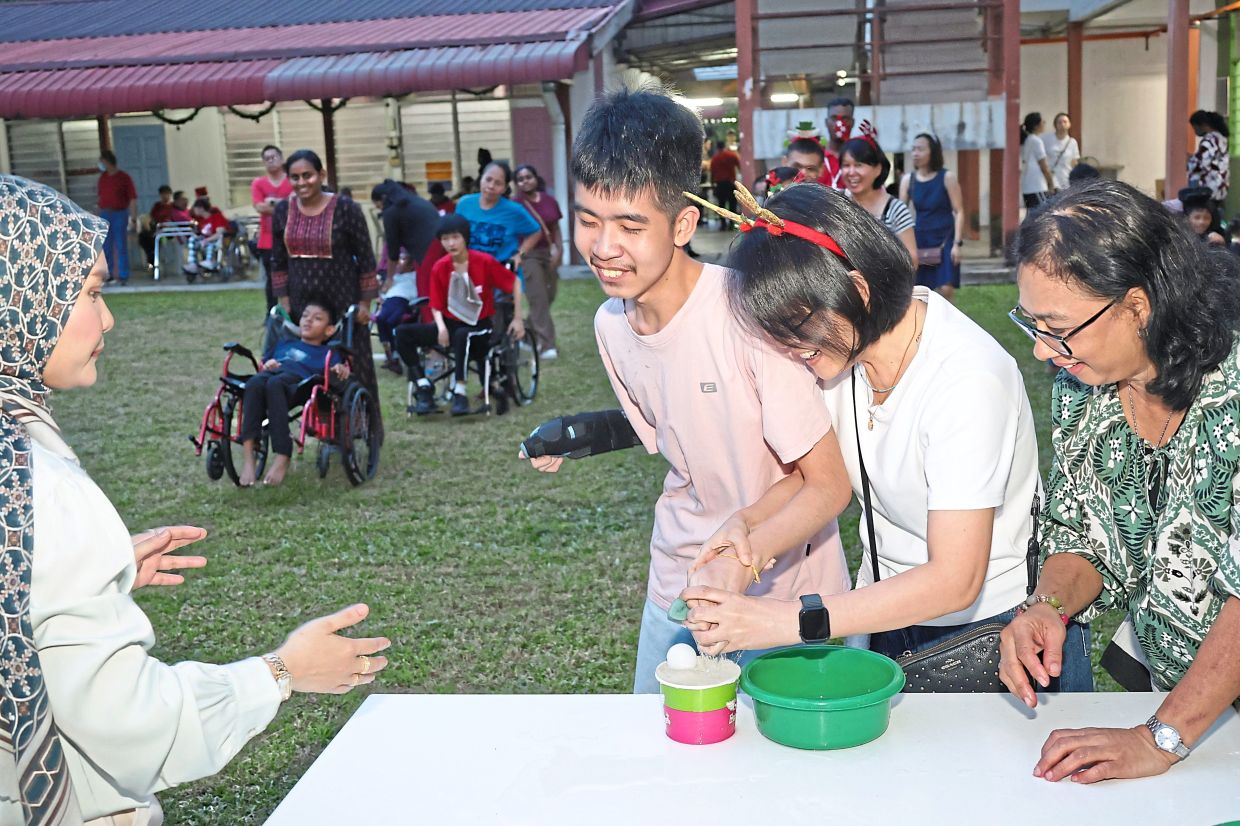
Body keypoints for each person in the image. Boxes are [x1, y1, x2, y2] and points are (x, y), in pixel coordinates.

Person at [0, 174, 391, 825]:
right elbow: (130, 723)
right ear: (23, 297)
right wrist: (281, 671)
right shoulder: (41, 488)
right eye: (91, 293)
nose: (109, 317)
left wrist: (71, 576)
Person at [676, 182, 1091, 693]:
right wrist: (745, 540)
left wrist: (786, 620)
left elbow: (955, 579)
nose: (790, 347)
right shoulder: (847, 353)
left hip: (996, 638)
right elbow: (822, 482)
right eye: (776, 332)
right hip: (886, 617)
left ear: (858, 289)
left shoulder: (965, 379)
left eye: (798, 326)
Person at [524, 85, 851, 693]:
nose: (603, 247)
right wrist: (583, 435)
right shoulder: (610, 324)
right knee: (664, 757)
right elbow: (679, 423)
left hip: (786, 593)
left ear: (683, 223)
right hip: (679, 578)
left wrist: (742, 558)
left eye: (629, 225)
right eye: (589, 219)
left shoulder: (748, 313)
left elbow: (827, 484)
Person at [1001, 178, 1240, 784]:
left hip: (1190, 722)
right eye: (1031, 324)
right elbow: (1080, 532)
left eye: (1056, 325)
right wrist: (1046, 607)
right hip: (1187, 708)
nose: (1041, 351)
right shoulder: (1083, 385)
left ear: (1138, 306)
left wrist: (1160, 738)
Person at [271, 149, 382, 440]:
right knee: (307, 364)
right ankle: (321, 425)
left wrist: (364, 303)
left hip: (343, 298)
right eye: (294, 177)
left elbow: (367, 260)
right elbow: (278, 260)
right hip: (302, 303)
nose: (301, 182)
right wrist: (284, 302)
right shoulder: (283, 211)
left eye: (307, 175)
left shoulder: (347, 209)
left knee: (352, 361)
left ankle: (363, 425)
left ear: (321, 175)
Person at [394, 214, 524, 416]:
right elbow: (436, 303)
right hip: (450, 323)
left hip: (480, 326)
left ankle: (460, 392)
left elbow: (514, 282)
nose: (450, 243)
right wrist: (441, 327)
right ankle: (424, 385)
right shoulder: (440, 267)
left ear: (465, 238)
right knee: (402, 333)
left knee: (463, 335)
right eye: (445, 239)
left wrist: (517, 318)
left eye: (455, 237)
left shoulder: (483, 262)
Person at [238, 298, 350, 487]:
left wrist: (341, 368)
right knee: (254, 383)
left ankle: (283, 454)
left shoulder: (327, 352)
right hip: (274, 374)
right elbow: (265, 363)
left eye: (317, 318)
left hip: (300, 383)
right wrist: (268, 364)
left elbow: (339, 370)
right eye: (305, 316)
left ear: (329, 330)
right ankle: (249, 456)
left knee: (275, 384)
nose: (308, 320)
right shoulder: (284, 344)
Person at [370, 179, 442, 373]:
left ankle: (435, 354)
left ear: (382, 200)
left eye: (377, 205)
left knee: (428, 301)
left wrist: (389, 279)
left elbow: (392, 253)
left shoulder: (392, 211)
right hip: (440, 250)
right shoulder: (416, 202)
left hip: (429, 255)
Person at [840, 123, 918, 267]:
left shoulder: (896, 210)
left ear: (878, 169)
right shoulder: (835, 201)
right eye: (846, 165)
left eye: (858, 165)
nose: (851, 172)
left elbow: (911, 260)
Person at [899, 133, 963, 302]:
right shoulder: (908, 180)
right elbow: (899, 212)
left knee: (945, 288)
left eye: (920, 149)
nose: (915, 153)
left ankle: (948, 324)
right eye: (913, 149)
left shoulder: (947, 177)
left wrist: (957, 244)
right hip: (920, 238)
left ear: (932, 152)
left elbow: (959, 211)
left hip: (945, 239)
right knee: (919, 290)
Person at [514, 164, 563, 360]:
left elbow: (555, 228)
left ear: (535, 178)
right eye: (520, 178)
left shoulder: (549, 201)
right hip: (528, 255)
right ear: (517, 183)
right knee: (539, 298)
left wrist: (560, 250)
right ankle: (547, 345)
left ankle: (525, 335)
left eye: (528, 176)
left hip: (548, 252)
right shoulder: (515, 205)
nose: (525, 181)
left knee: (549, 296)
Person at [453, 162, 541, 269]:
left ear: (504, 188)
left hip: (503, 272)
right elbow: (455, 233)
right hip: (473, 270)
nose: (491, 186)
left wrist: (519, 255)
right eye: (488, 179)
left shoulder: (514, 210)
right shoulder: (464, 204)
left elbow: (535, 232)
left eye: (498, 183)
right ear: (481, 179)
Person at [252, 145, 294, 311]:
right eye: (267, 158)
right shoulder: (258, 183)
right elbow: (260, 207)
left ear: (282, 158)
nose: (271, 161)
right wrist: (284, 203)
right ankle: (271, 311)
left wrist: (273, 202)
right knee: (272, 278)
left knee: (293, 275)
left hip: (291, 236)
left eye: (274, 157)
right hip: (267, 240)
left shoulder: (292, 180)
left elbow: (296, 204)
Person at [96, 149, 138, 285]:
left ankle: (123, 274)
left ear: (108, 162)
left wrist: (133, 217)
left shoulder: (124, 177)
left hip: (119, 213)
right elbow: (100, 197)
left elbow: (132, 198)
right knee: (106, 245)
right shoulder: (103, 178)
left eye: (102, 162)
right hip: (105, 213)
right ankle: (108, 274)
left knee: (121, 244)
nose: (101, 165)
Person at [1188, 109, 1230, 217]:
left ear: (1203, 125)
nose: (1195, 132)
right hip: (1220, 186)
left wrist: (1189, 161)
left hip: (1208, 187)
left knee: (1205, 215)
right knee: (1215, 215)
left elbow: (1200, 164)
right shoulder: (1221, 138)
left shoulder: (1210, 140)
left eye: (1195, 128)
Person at [1020, 112, 1055, 210]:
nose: (1044, 123)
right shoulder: (1036, 141)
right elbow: (1044, 166)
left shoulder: (1025, 140)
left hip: (1027, 185)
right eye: (1042, 122)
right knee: (1042, 215)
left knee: (1032, 215)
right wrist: (1051, 183)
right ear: (1036, 126)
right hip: (1037, 185)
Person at [188, 197, 230, 273]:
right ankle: (192, 263)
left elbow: (219, 234)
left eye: (195, 208)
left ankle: (209, 260)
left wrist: (206, 240)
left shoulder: (216, 217)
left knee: (211, 242)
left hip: (217, 241)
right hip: (205, 240)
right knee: (192, 239)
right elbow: (190, 213)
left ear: (201, 208)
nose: (194, 210)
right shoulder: (201, 220)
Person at [1041, 113, 1080, 193]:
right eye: (1059, 122)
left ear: (1069, 124)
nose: (1062, 124)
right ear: (1055, 125)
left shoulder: (1072, 142)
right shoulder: (1046, 139)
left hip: (1066, 181)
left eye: (1065, 122)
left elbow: (1074, 163)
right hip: (1050, 181)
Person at [821, 96, 854, 189]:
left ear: (852, 122)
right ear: (826, 122)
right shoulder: (816, 156)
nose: (839, 123)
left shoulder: (861, 156)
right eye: (834, 118)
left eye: (845, 119)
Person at [708, 139, 741, 214]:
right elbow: (739, 166)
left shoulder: (715, 159)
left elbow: (712, 173)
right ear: (724, 146)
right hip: (731, 183)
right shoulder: (732, 155)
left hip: (720, 185)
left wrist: (712, 184)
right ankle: (732, 223)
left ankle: (723, 223)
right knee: (732, 203)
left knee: (721, 205)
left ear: (717, 147)